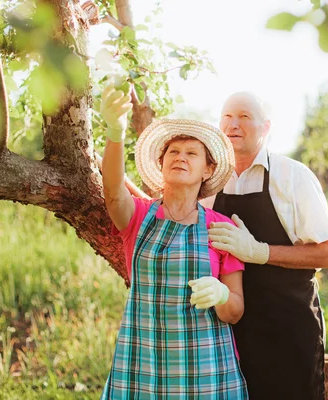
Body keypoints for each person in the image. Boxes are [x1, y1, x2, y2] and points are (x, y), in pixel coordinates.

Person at [99, 83, 248, 399]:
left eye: (192, 153)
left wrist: (222, 295)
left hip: (207, 368)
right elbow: (112, 191)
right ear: (161, 163)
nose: (180, 157)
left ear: (208, 170)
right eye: (173, 152)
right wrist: (115, 132)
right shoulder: (138, 217)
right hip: (143, 362)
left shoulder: (219, 229)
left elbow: (235, 311)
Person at [202, 91, 328, 400]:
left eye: (244, 117)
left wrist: (260, 252)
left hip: (287, 327)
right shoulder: (208, 180)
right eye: (226, 116)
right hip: (227, 327)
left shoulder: (292, 176)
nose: (233, 124)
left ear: (265, 128)